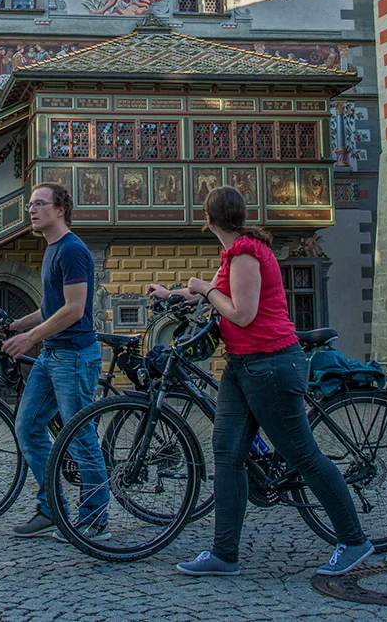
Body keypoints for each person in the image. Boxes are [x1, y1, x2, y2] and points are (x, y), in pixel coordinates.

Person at [150, 186, 374, 578]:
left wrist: (206, 288)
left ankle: (354, 540)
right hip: (242, 366)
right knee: (227, 453)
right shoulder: (236, 253)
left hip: (270, 364)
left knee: (303, 456)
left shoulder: (246, 253)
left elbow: (240, 313)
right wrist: (174, 293)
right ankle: (224, 554)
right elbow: (218, 295)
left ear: (208, 219)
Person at [1, 183, 110, 539]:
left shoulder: (72, 250)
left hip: (75, 356)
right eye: (30, 204)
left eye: (39, 203)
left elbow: (75, 310)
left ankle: (95, 521)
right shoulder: (51, 249)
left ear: (60, 209)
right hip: (53, 356)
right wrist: (19, 325)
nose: (31, 209)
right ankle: (51, 508)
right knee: (29, 427)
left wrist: (30, 338)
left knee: (79, 437)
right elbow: (53, 307)